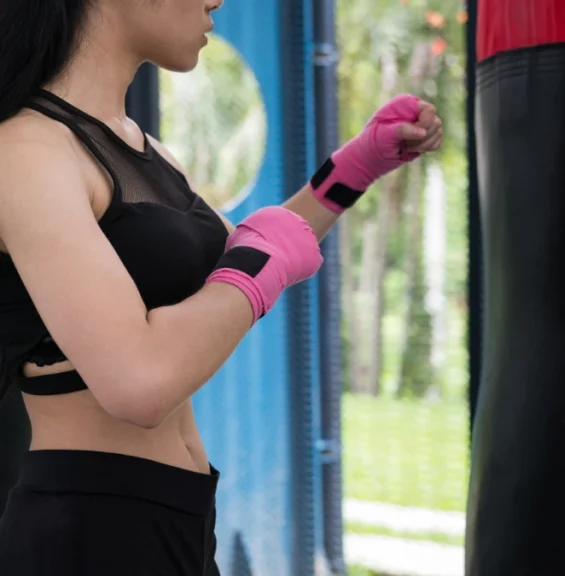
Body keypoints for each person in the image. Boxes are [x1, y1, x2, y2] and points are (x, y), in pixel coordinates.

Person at [0, 0, 444, 573]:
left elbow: (241, 266)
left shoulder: (144, 150)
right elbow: (139, 381)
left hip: (176, 518)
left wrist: (354, 168)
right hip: (88, 531)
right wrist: (264, 259)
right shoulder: (25, 151)